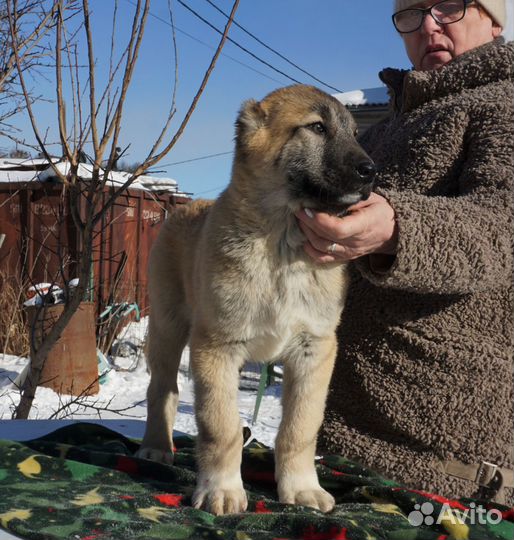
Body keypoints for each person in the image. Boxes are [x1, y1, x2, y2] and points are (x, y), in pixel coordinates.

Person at [296, 0, 514, 504]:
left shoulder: (504, 105)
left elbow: (501, 225)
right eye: (412, 13)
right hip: (336, 436)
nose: (429, 25)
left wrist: (397, 226)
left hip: (443, 460)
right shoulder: (379, 132)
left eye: (450, 7)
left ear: (494, 18)